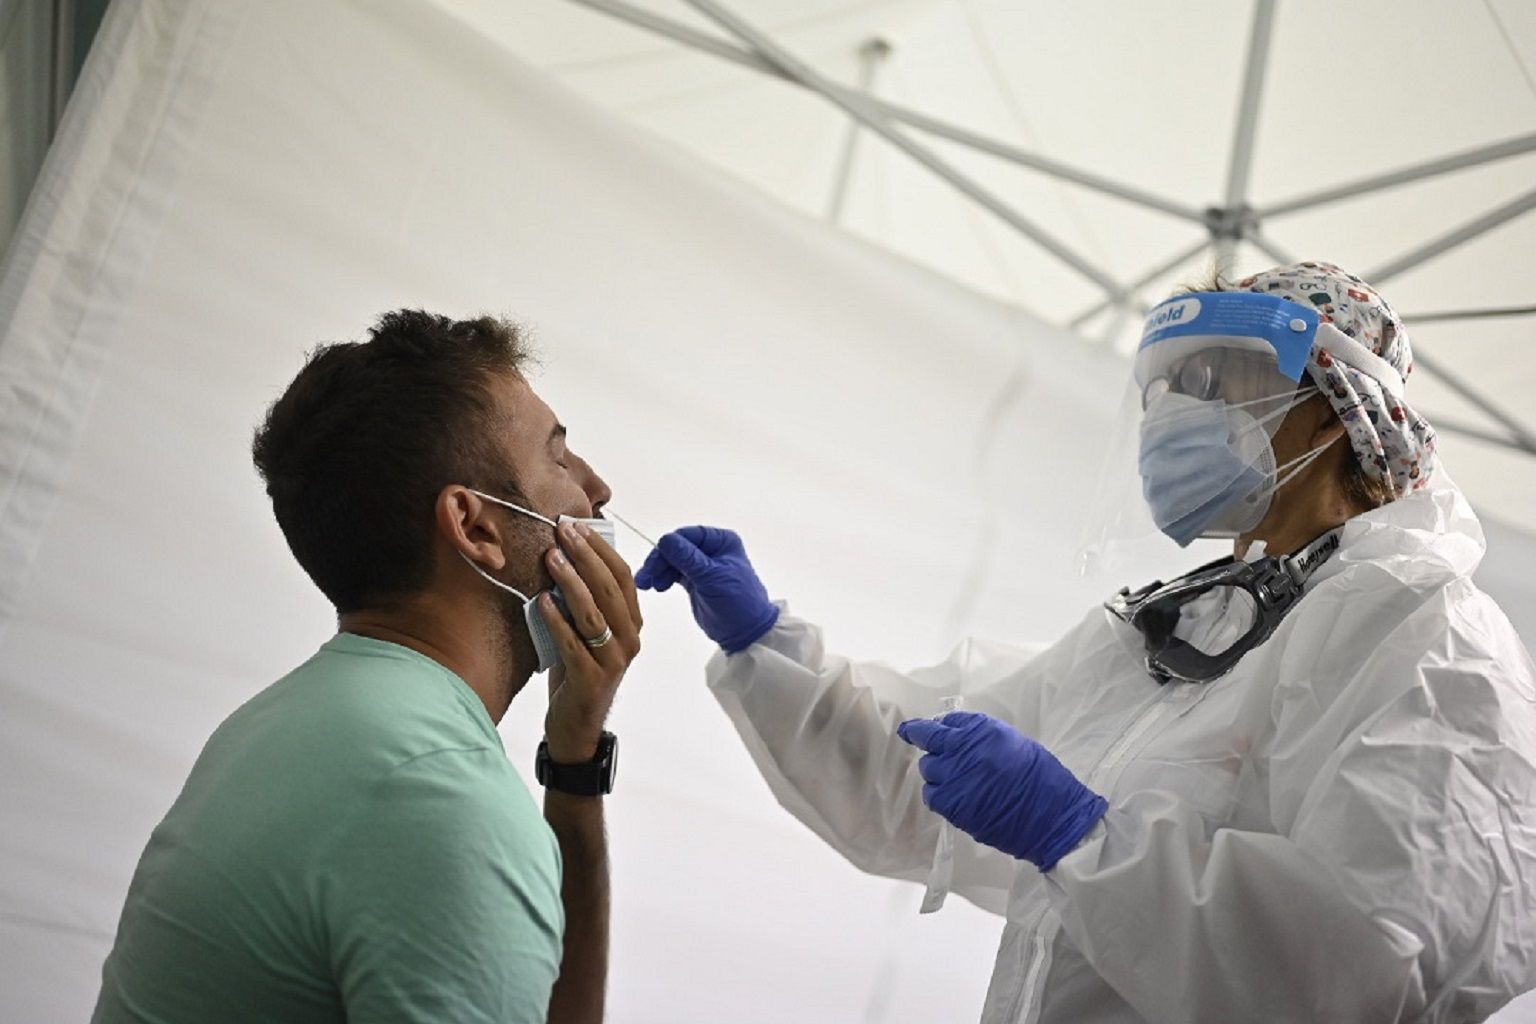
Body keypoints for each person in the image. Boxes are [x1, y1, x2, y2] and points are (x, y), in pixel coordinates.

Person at [637, 262, 1536, 1023]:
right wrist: (766, 645)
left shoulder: (1425, 635)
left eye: (1217, 382)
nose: (1177, 412)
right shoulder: (1186, 628)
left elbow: (1370, 962)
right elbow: (915, 782)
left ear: (1336, 407)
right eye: (1171, 386)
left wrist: (1085, 838)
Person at [92, 311, 641, 1024]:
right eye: (559, 459)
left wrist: (575, 763)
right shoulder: (440, 794)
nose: (598, 489)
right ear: (476, 527)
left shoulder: (290, 719)